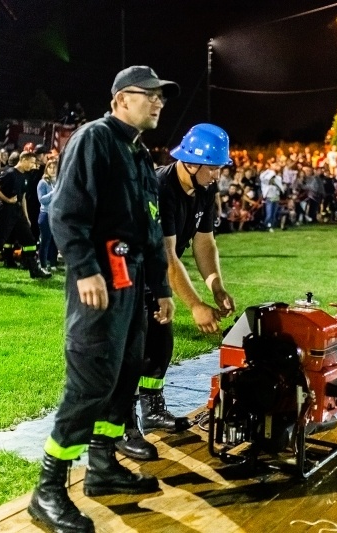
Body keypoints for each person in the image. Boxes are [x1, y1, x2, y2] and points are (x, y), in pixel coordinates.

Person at [28, 65, 179, 533]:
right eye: (149, 95)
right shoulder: (94, 138)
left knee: (124, 375)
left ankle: (102, 467)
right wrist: (86, 268)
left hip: (132, 284)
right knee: (90, 381)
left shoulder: (137, 155)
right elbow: (65, 211)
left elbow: (152, 231)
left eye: (161, 97)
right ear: (120, 100)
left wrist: (163, 288)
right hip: (98, 281)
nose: (158, 103)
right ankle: (48, 490)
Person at [118, 124, 236, 461]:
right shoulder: (159, 187)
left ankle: (152, 409)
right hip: (127, 275)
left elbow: (204, 242)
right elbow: (168, 257)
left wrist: (215, 285)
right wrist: (195, 305)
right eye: (213, 166)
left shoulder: (202, 189)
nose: (217, 173)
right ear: (192, 163)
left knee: (160, 343)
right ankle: (123, 427)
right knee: (130, 352)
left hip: (152, 274)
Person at [0, 151, 51, 281]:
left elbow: (23, 197)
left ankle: (34, 270)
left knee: (29, 241)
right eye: (31, 162)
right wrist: (7, 200)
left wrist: (26, 217)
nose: (32, 165)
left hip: (18, 211)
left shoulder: (26, 176)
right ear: (23, 159)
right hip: (6, 210)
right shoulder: (10, 173)